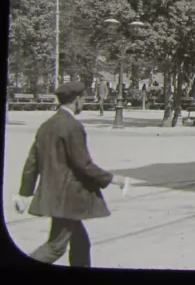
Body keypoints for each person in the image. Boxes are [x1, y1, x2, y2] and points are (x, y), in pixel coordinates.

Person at [13, 81, 127, 267]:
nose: (84, 103)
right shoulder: (73, 127)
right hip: (68, 198)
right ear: (76, 100)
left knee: (81, 244)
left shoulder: (46, 125)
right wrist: (113, 179)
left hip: (55, 196)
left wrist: (24, 193)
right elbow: (84, 164)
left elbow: (32, 162)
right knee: (56, 247)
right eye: (83, 99)